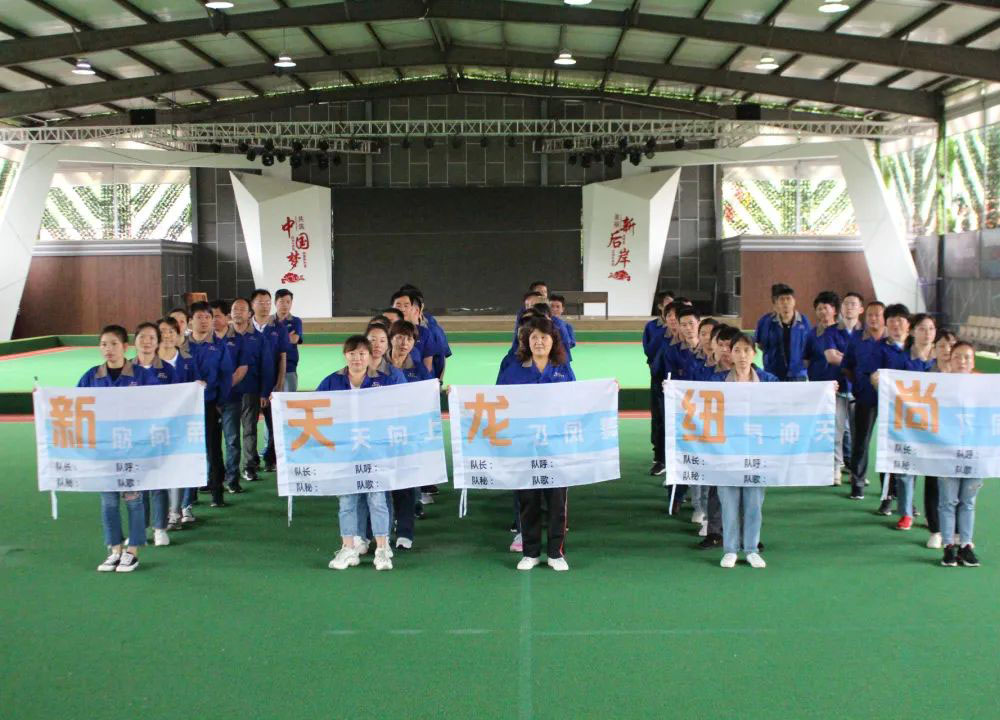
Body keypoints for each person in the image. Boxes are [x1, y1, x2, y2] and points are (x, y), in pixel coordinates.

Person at [498, 316, 576, 572]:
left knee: (557, 502)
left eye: (544, 337)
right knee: (528, 500)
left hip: (556, 448)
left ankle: (556, 553)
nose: (539, 342)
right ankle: (530, 553)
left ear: (553, 341)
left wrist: (608, 391)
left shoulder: (563, 369)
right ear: (526, 341)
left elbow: (578, 401)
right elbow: (497, 400)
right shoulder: (514, 370)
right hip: (525, 447)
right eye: (534, 337)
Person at [80, 325, 155, 573]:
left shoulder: (142, 376)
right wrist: (43, 397)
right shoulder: (91, 376)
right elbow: (74, 404)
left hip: (133, 450)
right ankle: (114, 549)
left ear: (125, 347)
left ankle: (132, 551)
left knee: (134, 500)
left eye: (113, 344)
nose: (108, 349)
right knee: (109, 502)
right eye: (103, 344)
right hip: (104, 452)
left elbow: (162, 402)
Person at [320, 336, 397, 572]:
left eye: (362, 353)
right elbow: (312, 404)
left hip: (374, 451)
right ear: (345, 355)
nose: (357, 358)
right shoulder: (332, 381)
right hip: (344, 452)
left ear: (370, 356)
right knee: (347, 501)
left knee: (377, 499)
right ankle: (348, 548)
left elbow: (400, 405)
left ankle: (382, 549)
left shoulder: (382, 381)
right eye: (352, 353)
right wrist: (280, 400)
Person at [872, 309, 936, 530]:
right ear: (913, 331)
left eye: (931, 329)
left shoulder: (941, 360)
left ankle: (933, 515)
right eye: (922, 329)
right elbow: (885, 381)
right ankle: (906, 513)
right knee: (906, 468)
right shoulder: (901, 358)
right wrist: (878, 380)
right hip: (906, 421)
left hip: (936, 423)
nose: (927, 333)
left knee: (934, 471)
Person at [718, 333, 778, 569]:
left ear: (754, 354)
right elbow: (692, 397)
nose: (742, 356)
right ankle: (730, 550)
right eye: (737, 350)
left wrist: (827, 389)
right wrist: (671, 389)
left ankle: (751, 549)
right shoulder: (717, 381)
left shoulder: (769, 381)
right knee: (729, 503)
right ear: (730, 354)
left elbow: (794, 398)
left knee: (754, 503)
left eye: (746, 350)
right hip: (726, 452)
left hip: (757, 452)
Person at [385, 320, 433, 550]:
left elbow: (428, 397)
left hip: (407, 436)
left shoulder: (419, 369)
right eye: (399, 337)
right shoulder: (377, 364)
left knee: (405, 485)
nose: (404, 343)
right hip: (380, 436)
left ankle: (405, 532)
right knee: (381, 486)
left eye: (409, 339)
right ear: (391, 339)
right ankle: (381, 531)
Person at [938, 341, 983, 568]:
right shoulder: (939, 385)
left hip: (976, 452)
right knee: (948, 501)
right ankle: (948, 546)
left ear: (973, 361)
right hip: (947, 452)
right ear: (950, 359)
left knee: (968, 501)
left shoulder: (985, 387)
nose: (962, 361)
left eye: (967, 357)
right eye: (957, 356)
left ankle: (966, 545)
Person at [131, 322, 173, 547]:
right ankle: (139, 529)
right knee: (137, 484)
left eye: (151, 338)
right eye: (142, 337)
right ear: (134, 341)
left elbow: (180, 397)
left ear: (158, 342)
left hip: (159, 435)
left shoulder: (168, 370)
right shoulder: (124, 368)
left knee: (158, 482)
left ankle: (159, 528)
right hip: (132, 437)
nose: (146, 342)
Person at [188, 301, 231, 508]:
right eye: (199, 317)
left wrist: (220, 403)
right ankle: (190, 495)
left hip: (210, 404)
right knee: (189, 450)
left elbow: (226, 376)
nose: (204, 321)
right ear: (190, 321)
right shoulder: (182, 346)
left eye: (207, 317)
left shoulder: (219, 345)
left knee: (213, 450)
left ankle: (217, 493)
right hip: (186, 408)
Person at [157, 316, 199, 528]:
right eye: (162, 332)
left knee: (178, 466)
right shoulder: (145, 362)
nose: (166, 336)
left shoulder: (188, 360)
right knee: (158, 468)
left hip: (181, 425)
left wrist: (199, 387)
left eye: (171, 332)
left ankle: (175, 512)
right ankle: (160, 513)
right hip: (154, 427)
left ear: (178, 335)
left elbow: (196, 387)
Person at [228, 297, 273, 486]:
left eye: (242, 309)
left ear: (249, 314)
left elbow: (267, 367)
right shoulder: (223, 337)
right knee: (230, 435)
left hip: (250, 391)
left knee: (249, 430)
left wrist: (264, 393)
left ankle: (249, 466)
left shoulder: (259, 338)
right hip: (227, 393)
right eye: (235, 309)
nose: (238, 312)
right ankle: (229, 471)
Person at [844, 301, 886, 501]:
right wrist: (859, 384)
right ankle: (858, 483)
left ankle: (890, 488)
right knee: (860, 442)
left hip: (891, 401)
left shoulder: (892, 340)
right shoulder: (857, 339)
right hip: (865, 397)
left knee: (890, 444)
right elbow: (847, 366)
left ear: (885, 318)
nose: (873, 318)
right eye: (870, 315)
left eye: (878, 314)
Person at [804, 291, 847, 485]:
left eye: (825, 308)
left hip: (839, 389)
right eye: (819, 308)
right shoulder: (812, 334)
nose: (822, 312)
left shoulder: (842, 333)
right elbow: (806, 359)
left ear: (835, 310)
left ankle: (837, 466)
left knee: (838, 429)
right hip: (817, 389)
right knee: (820, 428)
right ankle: (821, 465)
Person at [250, 289, 290, 473]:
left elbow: (282, 357)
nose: (265, 306)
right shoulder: (245, 328)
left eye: (267, 302)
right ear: (252, 305)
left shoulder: (278, 328)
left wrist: (279, 385)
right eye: (261, 302)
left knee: (274, 425)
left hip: (272, 386)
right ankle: (251, 462)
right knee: (249, 427)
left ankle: (270, 459)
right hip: (249, 388)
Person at [754, 283, 810, 381]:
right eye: (782, 299)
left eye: (788, 299)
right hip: (773, 373)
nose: (785, 302)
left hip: (798, 373)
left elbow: (809, 345)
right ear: (776, 302)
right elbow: (760, 345)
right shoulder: (766, 321)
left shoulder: (804, 321)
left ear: (794, 301)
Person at [274, 288, 304, 392]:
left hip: (290, 367)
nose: (285, 305)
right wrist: (287, 337)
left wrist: (274, 336)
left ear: (291, 303)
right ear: (275, 303)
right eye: (281, 301)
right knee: (271, 399)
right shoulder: (269, 321)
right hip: (271, 367)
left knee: (289, 398)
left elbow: (295, 339)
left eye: (288, 302)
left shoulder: (296, 321)